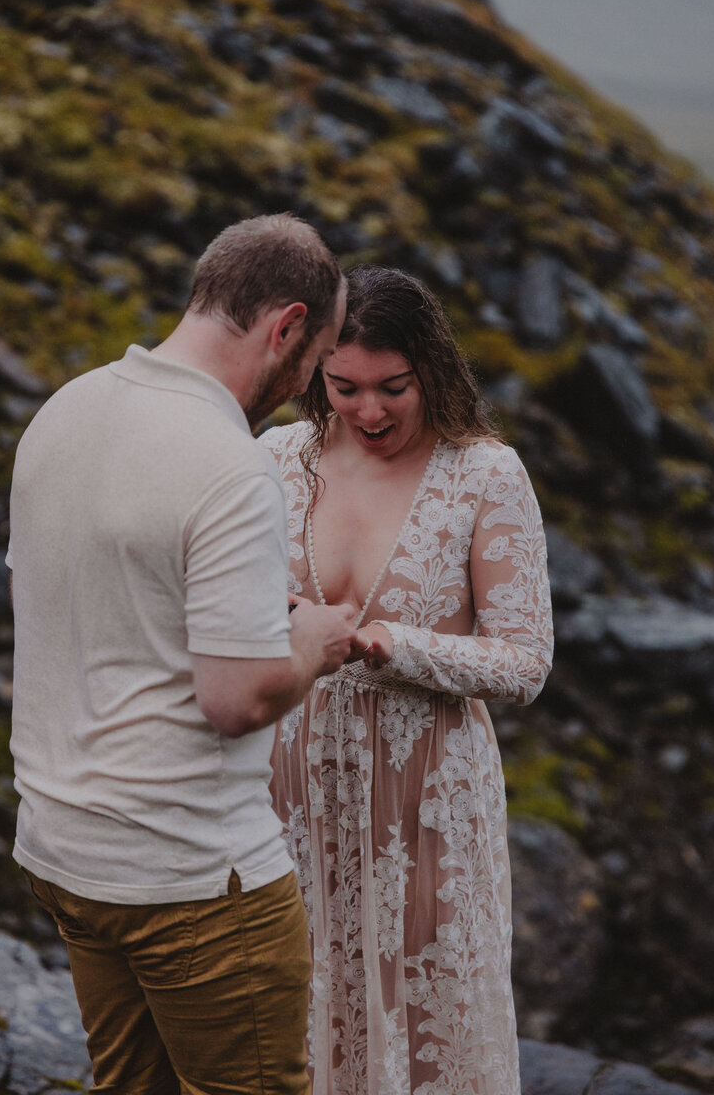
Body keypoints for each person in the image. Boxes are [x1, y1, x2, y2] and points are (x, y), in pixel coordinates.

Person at [7, 213, 366, 1095]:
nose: (304, 389)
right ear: (285, 326)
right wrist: (314, 643)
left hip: (63, 850)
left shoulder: (68, 406)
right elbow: (235, 699)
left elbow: (90, 603)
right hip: (194, 875)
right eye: (314, 361)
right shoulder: (229, 464)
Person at [261, 265, 554, 1095]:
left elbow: (527, 661)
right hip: (287, 803)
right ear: (314, 369)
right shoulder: (275, 459)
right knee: (298, 1023)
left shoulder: (485, 474)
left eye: (395, 387)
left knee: (429, 1028)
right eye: (344, 386)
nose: (370, 411)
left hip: (426, 804)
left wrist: (398, 644)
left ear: (432, 368)